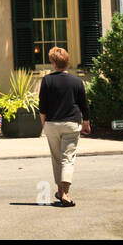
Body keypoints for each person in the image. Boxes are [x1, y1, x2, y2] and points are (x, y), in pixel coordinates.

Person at [38, 46, 91, 207]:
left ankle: (60, 191)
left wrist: (44, 125)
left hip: (52, 123)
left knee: (56, 158)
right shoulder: (77, 81)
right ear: (67, 62)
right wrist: (86, 122)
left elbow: (42, 107)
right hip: (71, 123)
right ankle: (65, 193)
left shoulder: (47, 80)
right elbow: (84, 104)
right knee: (68, 158)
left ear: (53, 63)